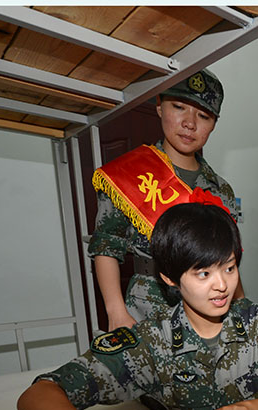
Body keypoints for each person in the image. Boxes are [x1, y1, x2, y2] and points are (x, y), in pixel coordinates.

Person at [18, 203, 258, 410]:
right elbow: (38, 395)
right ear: (170, 278)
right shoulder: (153, 342)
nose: (222, 285)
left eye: (229, 268)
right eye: (203, 274)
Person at [89, 69, 242, 332]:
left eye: (203, 116)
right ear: (159, 106)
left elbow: (227, 261)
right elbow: (106, 246)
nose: (190, 123)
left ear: (214, 124)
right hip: (148, 305)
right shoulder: (127, 174)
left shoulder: (222, 190)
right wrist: (116, 312)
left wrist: (240, 305)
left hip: (211, 309)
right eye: (179, 107)